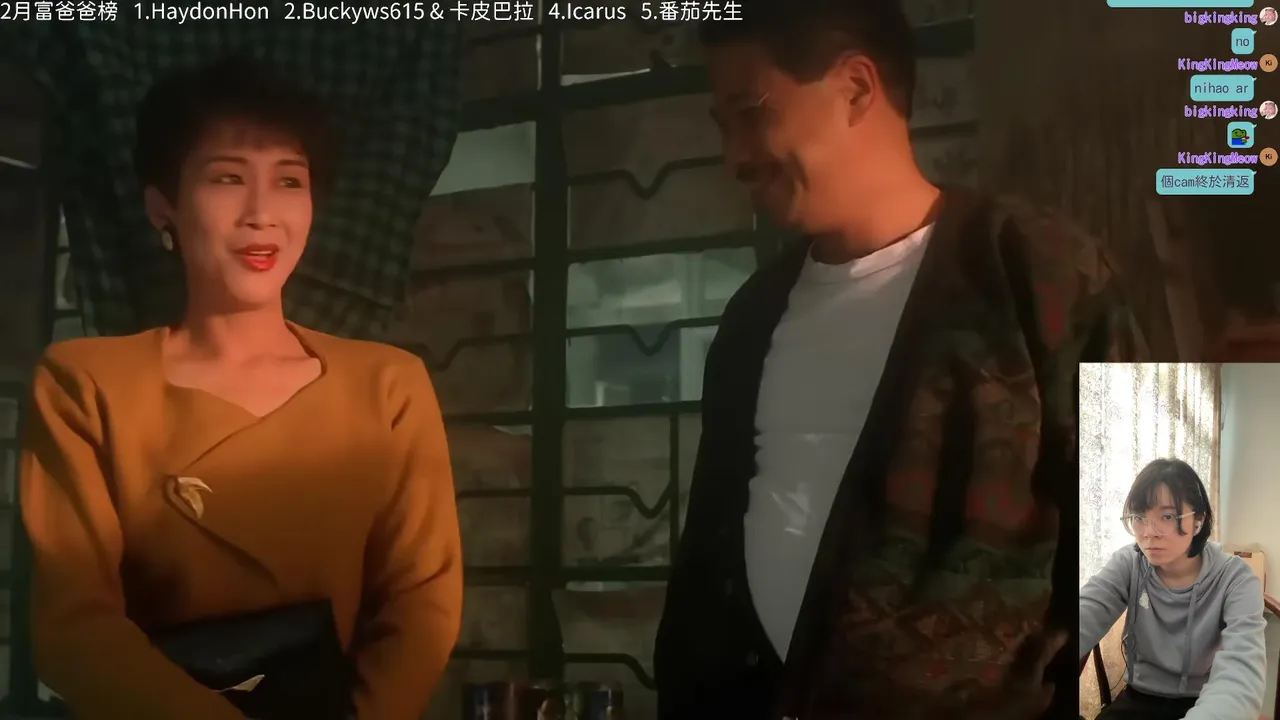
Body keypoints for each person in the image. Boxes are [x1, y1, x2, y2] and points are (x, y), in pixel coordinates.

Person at [653, 1, 1147, 719]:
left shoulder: (1044, 276)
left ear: (856, 88)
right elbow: (707, 560)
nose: (735, 158)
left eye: (750, 114)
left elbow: (1146, 565)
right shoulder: (752, 317)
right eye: (722, 126)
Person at [20, 57, 462, 720]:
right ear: (162, 208)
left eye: (289, 181)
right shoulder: (85, 383)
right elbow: (73, 628)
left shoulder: (389, 385)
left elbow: (423, 599)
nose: (262, 214)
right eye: (227, 178)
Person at [1079, 459, 1267, 720]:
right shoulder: (1129, 563)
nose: (1149, 532)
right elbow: (1082, 615)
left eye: (1167, 516)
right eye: (1139, 517)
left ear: (1199, 520)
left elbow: (1241, 675)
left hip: (1207, 701)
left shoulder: (1235, 578)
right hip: (1138, 698)